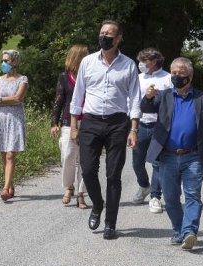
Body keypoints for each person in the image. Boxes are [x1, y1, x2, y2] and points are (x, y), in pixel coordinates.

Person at [70, 20, 142, 240]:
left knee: (113, 174)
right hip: (91, 121)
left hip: (117, 124)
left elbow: (135, 99)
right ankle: (97, 204)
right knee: (89, 170)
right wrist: (74, 125)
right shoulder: (88, 62)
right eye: (102, 33)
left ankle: (110, 223)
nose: (104, 37)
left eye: (109, 34)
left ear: (118, 38)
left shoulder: (128, 65)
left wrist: (134, 129)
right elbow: (78, 94)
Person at [145, 57, 203, 250]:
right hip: (167, 156)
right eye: (174, 73)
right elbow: (146, 108)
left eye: (181, 73)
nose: (176, 77)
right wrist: (148, 97)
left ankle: (189, 231)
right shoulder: (163, 96)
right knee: (170, 198)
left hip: (193, 156)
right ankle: (178, 230)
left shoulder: (202, 98)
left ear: (190, 75)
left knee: (193, 195)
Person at [0, 50, 29, 201]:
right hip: (0, 118)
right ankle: (9, 184)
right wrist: (1, 100)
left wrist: (0, 100)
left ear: (15, 62)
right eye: (2, 61)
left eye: (6, 61)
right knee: (3, 154)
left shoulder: (22, 79)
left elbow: (17, 98)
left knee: (10, 154)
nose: (3, 64)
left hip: (14, 119)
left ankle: (5, 189)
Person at [132, 48, 172, 214]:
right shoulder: (137, 78)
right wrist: (131, 127)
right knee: (137, 163)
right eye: (140, 60)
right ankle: (144, 186)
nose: (141, 64)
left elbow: (171, 104)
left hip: (160, 126)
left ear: (154, 61)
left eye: (144, 61)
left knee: (157, 163)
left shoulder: (168, 78)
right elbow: (132, 101)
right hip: (140, 125)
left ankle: (155, 197)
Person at [50, 44, 89, 209]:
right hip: (68, 122)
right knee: (67, 157)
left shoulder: (90, 76)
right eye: (85, 56)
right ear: (77, 58)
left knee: (85, 161)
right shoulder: (64, 77)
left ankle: (81, 194)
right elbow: (59, 101)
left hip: (88, 122)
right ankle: (68, 187)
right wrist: (54, 123)